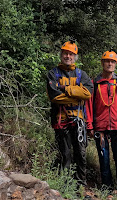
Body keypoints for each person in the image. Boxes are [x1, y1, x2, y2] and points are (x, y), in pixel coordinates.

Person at [86, 50, 117, 200]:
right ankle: (107, 188)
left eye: (113, 62)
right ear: (102, 63)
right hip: (100, 127)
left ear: (115, 64)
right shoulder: (95, 82)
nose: (110, 64)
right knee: (103, 160)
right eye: (107, 61)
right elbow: (89, 106)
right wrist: (90, 126)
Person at [46, 41, 93, 187]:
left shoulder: (81, 74)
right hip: (61, 120)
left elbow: (88, 93)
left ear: (75, 56)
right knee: (65, 155)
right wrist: (76, 93)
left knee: (81, 154)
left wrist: (65, 88)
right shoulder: (52, 74)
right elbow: (54, 96)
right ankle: (65, 185)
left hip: (78, 121)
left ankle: (80, 186)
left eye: (71, 54)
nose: (68, 56)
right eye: (65, 53)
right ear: (61, 55)